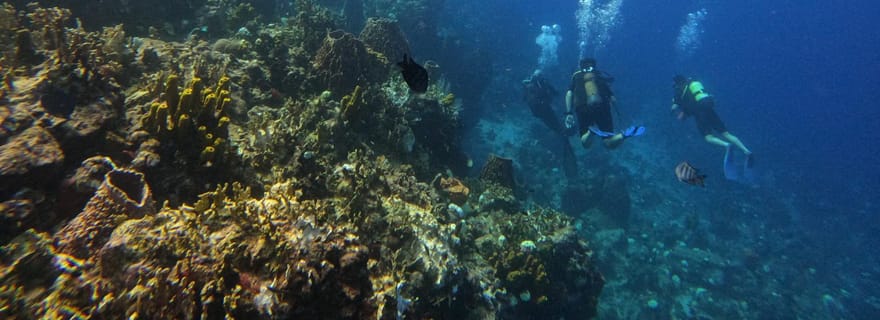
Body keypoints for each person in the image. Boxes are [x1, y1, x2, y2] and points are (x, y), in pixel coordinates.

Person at [671, 74, 754, 172]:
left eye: (675, 84)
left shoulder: (680, 91)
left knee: (708, 137)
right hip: (709, 110)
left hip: (700, 114)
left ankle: (726, 145)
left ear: (678, 83)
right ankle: (746, 151)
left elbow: (676, 106)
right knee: (726, 133)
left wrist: (672, 110)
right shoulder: (694, 86)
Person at [523, 69, 578, 178]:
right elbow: (555, 93)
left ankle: (564, 133)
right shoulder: (543, 83)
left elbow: (524, 99)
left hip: (538, 112)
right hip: (545, 109)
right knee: (555, 124)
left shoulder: (528, 85)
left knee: (553, 124)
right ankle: (565, 133)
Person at [564, 58, 624, 149]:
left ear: (580, 66)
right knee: (608, 142)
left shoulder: (576, 76)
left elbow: (569, 93)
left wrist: (569, 113)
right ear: (594, 66)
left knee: (586, 144)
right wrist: (619, 113)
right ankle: (622, 136)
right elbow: (613, 98)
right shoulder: (599, 76)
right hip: (603, 107)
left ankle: (590, 133)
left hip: (583, 107)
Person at [522, 69, 565, 135]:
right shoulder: (530, 85)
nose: (540, 78)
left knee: (552, 122)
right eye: (539, 76)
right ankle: (560, 132)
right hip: (540, 109)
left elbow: (553, 90)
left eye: (540, 76)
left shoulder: (542, 83)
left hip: (543, 108)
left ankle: (560, 132)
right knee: (552, 122)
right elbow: (527, 97)